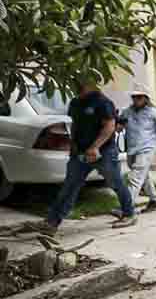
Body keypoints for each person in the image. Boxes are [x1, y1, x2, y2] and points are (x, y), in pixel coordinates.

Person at [26, 79, 137, 235]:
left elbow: (110, 126)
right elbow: (75, 125)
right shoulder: (75, 103)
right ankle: (52, 222)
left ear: (91, 83)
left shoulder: (103, 102)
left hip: (103, 152)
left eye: (78, 83)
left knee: (115, 182)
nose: (75, 86)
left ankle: (129, 213)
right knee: (69, 186)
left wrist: (95, 147)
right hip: (80, 153)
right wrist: (74, 146)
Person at [114, 85, 156, 216]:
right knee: (143, 175)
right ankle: (155, 200)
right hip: (132, 149)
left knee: (135, 177)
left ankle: (126, 208)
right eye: (134, 97)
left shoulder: (153, 112)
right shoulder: (127, 111)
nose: (136, 99)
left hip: (146, 149)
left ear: (146, 98)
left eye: (139, 97)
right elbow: (119, 127)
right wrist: (117, 124)